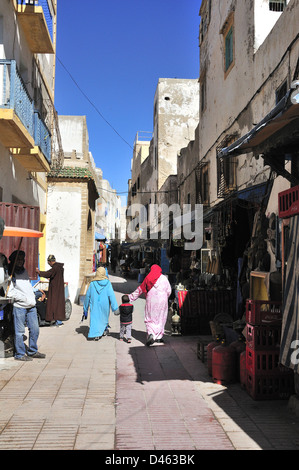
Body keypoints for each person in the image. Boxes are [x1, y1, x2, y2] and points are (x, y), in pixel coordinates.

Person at [7, 250, 46, 361]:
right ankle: (19, 354)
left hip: (31, 306)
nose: (20, 261)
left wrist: (34, 294)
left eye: (21, 259)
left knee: (35, 329)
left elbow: (27, 287)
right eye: (18, 259)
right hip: (20, 306)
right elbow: (10, 292)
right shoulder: (10, 273)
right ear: (14, 261)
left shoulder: (23, 271)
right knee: (19, 332)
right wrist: (24, 298)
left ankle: (32, 351)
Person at [129, 264, 171, 346]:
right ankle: (158, 337)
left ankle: (151, 333)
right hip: (162, 300)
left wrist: (130, 297)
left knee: (150, 317)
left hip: (151, 300)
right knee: (161, 317)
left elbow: (140, 289)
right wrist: (165, 298)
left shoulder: (148, 277)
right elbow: (169, 290)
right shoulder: (164, 278)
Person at [83, 266, 118, 340]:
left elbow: (87, 296)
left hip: (94, 304)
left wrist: (85, 308)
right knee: (103, 318)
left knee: (95, 318)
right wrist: (115, 308)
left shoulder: (92, 284)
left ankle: (96, 333)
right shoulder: (108, 283)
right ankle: (103, 331)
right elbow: (111, 295)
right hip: (105, 304)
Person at [36, 254, 65, 327]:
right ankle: (58, 321)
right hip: (59, 289)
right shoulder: (59, 268)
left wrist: (39, 272)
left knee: (54, 304)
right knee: (58, 304)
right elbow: (53, 275)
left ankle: (57, 321)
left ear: (50, 262)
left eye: (48, 262)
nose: (48, 264)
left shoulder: (55, 268)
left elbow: (48, 273)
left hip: (55, 290)